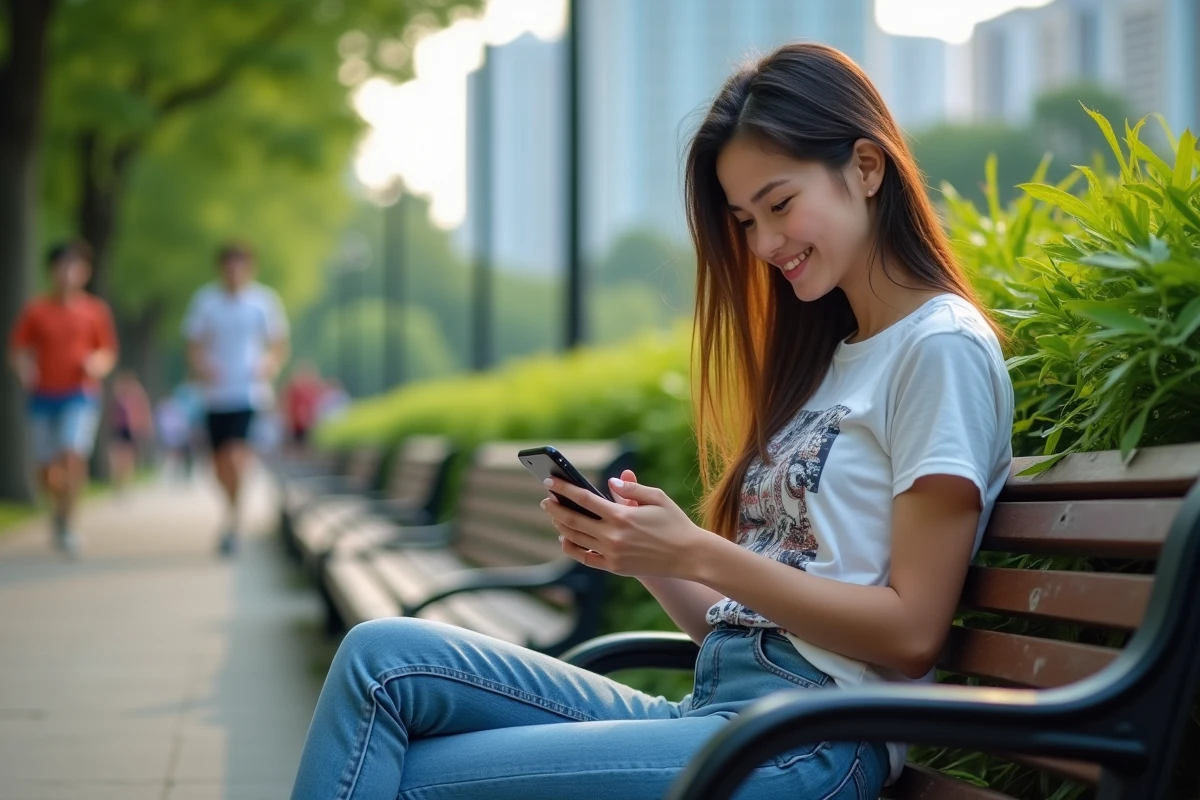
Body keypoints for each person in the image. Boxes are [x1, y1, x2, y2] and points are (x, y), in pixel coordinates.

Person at [290, 43, 1015, 800]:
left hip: (809, 743)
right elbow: (752, 622)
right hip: (728, 713)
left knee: (405, 778)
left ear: (867, 168)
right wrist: (654, 557)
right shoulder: (832, 361)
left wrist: (702, 553)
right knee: (381, 662)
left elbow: (909, 636)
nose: (766, 245)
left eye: (779, 204)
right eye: (744, 220)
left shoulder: (939, 350)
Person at [7, 240, 117, 555]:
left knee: (72, 453)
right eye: (62, 266)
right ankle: (58, 509)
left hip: (80, 394)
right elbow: (18, 350)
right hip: (42, 396)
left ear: (85, 272)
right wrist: (24, 368)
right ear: (51, 271)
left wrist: (97, 363)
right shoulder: (36, 310)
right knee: (46, 469)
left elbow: (106, 351)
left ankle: (69, 523)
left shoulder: (95, 311)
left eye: (75, 266)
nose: (68, 273)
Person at [183, 242, 289, 555]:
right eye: (229, 265)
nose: (234, 272)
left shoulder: (263, 302)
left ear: (250, 268)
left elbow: (279, 344)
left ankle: (233, 521)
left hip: (248, 393)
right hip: (215, 396)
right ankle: (231, 509)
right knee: (218, 465)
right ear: (221, 269)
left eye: (240, 265)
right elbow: (193, 344)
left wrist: (270, 363)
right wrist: (202, 365)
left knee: (235, 456)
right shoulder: (206, 302)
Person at [108, 369, 153, 493]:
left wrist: (145, 427)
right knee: (117, 455)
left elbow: (144, 412)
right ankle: (118, 481)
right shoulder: (119, 395)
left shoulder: (138, 394)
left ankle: (126, 481)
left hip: (131, 429)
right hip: (118, 429)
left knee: (128, 456)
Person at [282, 359, 326, 451]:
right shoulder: (294, 389)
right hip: (296, 423)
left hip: (308, 423)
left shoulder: (312, 388)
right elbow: (288, 406)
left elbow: (316, 405)